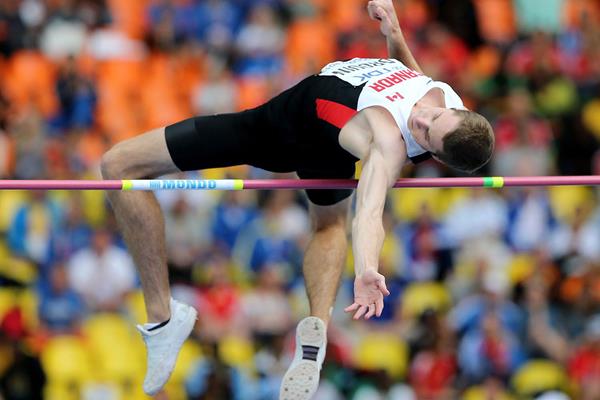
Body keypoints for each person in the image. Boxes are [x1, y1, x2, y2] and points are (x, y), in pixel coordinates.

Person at [100, 0, 495, 398]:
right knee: (327, 223)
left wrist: (367, 270)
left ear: (433, 154)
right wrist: (395, 35)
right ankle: (315, 331)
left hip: (279, 130)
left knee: (119, 165)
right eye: (434, 117)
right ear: (457, 109)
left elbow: (371, 212)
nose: (421, 120)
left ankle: (163, 320)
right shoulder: (442, 96)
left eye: (427, 134)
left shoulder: (389, 146)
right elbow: (412, 80)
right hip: (327, 137)